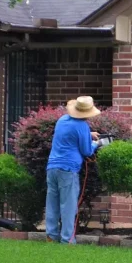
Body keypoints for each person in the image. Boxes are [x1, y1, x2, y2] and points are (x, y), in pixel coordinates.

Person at [45, 96, 101, 244]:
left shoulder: (62, 120)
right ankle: (67, 240)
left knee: (52, 203)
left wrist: (89, 135)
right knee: (68, 206)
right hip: (68, 170)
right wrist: (97, 143)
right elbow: (87, 151)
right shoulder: (82, 126)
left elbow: (69, 135)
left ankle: (51, 236)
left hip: (52, 167)